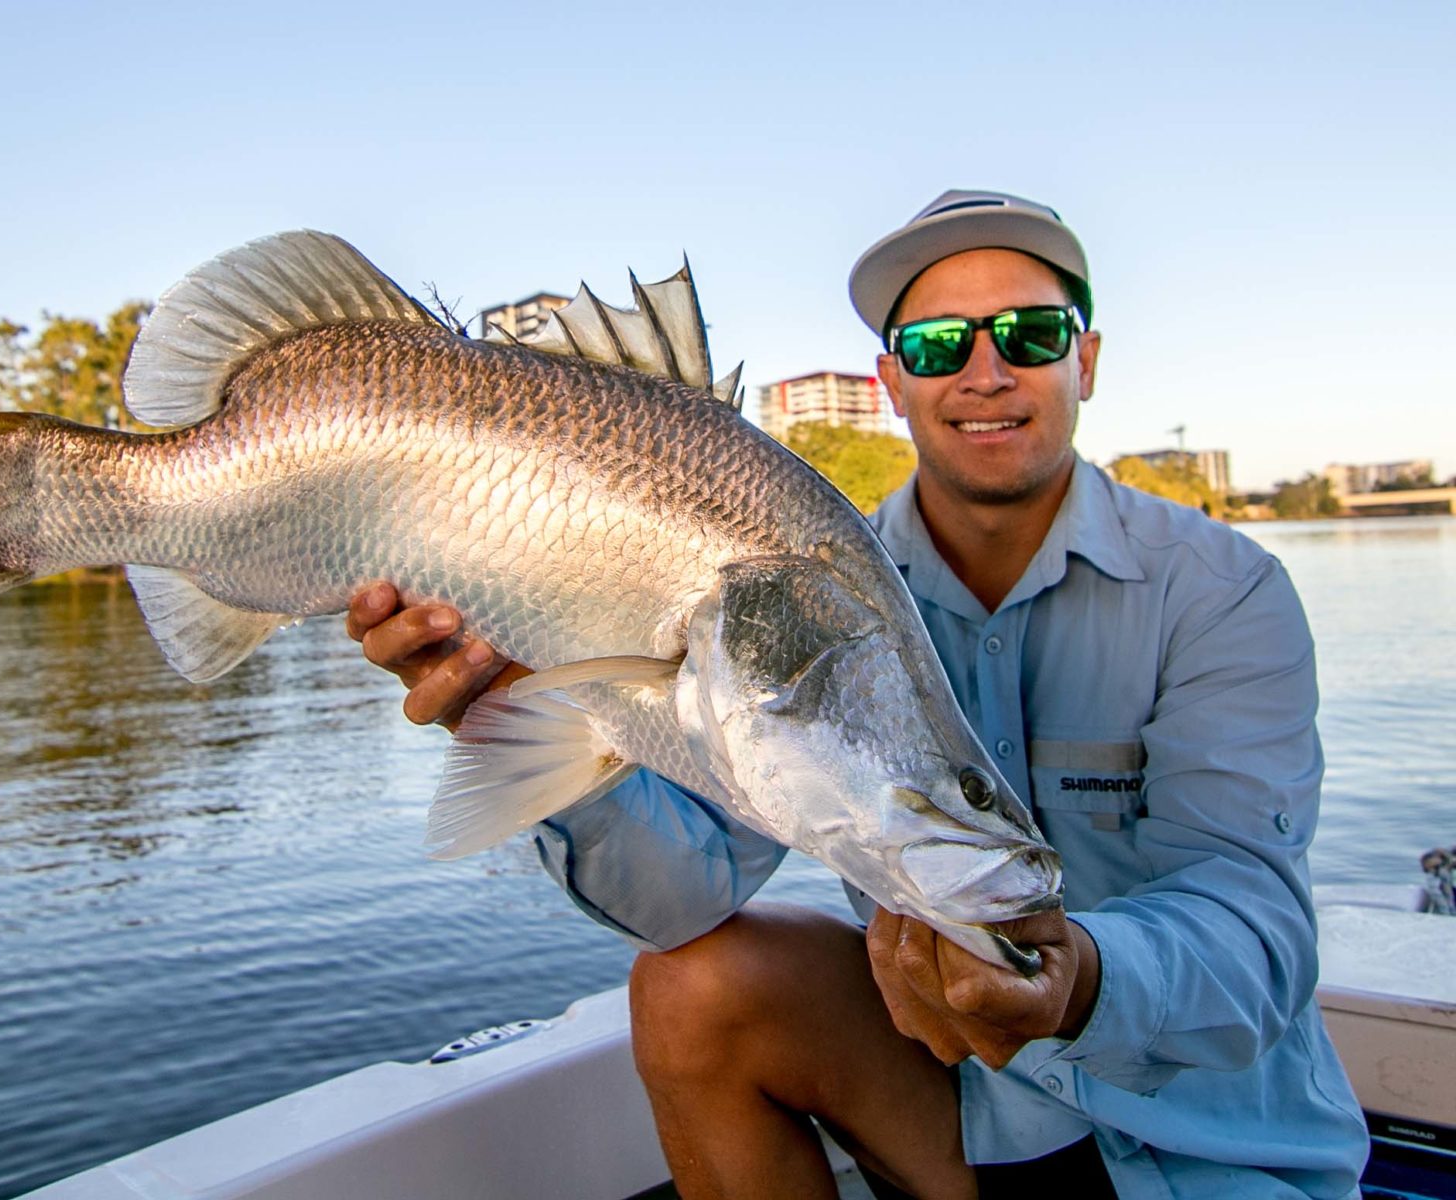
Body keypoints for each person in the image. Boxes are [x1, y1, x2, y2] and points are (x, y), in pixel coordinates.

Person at [346, 190, 1368, 1199]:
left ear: (1085, 360)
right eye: (936, 346)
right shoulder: (795, 569)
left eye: (1031, 331)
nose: (985, 369)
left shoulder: (1223, 588)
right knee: (693, 987)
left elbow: (1255, 927)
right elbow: (688, 892)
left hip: (1224, 1148)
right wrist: (521, 712)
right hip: (968, 1121)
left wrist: (1081, 979)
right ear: (890, 380)